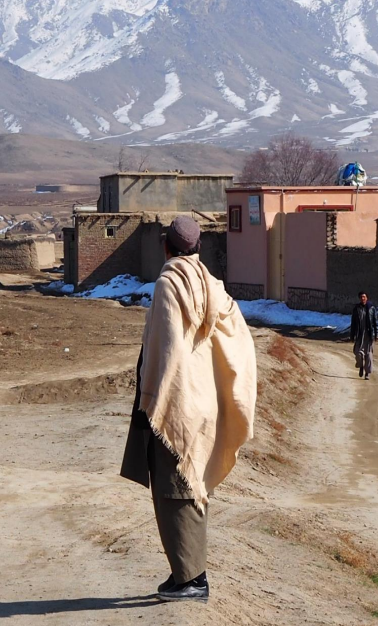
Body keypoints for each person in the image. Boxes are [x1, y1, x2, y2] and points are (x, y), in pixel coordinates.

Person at [120, 215, 257, 603]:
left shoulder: (168, 283)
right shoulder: (213, 287)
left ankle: (192, 580)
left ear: (167, 247)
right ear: (197, 249)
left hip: (176, 401)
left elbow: (167, 351)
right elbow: (236, 340)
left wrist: (155, 397)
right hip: (203, 400)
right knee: (191, 483)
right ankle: (186, 572)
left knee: (175, 489)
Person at [350, 291, 378, 380]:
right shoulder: (356, 309)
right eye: (361, 297)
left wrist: (376, 334)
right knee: (357, 353)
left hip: (368, 334)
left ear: (367, 298)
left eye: (364, 297)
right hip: (359, 334)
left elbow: (375, 322)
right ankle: (361, 366)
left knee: (369, 355)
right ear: (359, 298)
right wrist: (352, 335)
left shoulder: (371, 308)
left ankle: (367, 373)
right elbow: (353, 323)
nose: (363, 298)